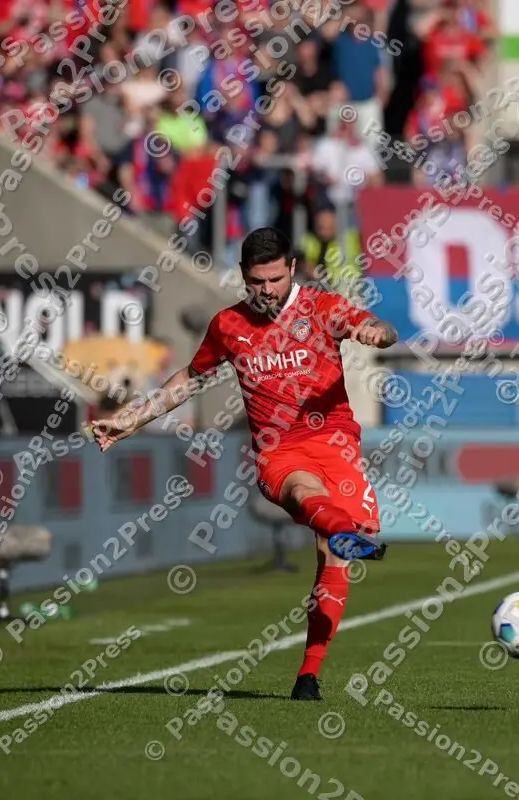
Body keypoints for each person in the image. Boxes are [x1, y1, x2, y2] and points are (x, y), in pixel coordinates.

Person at [91, 228, 398, 702]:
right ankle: (339, 530)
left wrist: (375, 331)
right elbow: (189, 380)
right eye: (257, 281)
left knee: (332, 555)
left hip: (335, 443)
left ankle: (308, 675)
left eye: (275, 279)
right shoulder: (228, 326)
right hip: (280, 451)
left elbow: (378, 326)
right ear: (242, 276)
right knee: (301, 491)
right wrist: (130, 419)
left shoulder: (321, 308)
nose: (267, 290)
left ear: (292, 269)